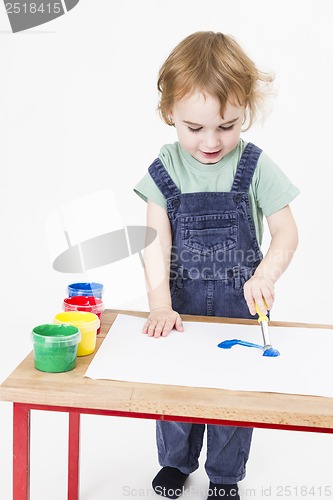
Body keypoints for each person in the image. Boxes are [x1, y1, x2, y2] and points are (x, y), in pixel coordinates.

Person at [134, 31, 299, 500]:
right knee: (176, 393)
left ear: (245, 111)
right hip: (180, 307)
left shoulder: (256, 166)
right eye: (195, 128)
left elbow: (287, 232)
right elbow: (153, 244)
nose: (211, 141)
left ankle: (225, 476)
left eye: (227, 126)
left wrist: (265, 274)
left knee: (231, 397)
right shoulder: (164, 169)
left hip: (238, 306)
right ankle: (175, 463)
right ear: (170, 114)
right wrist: (159, 304)